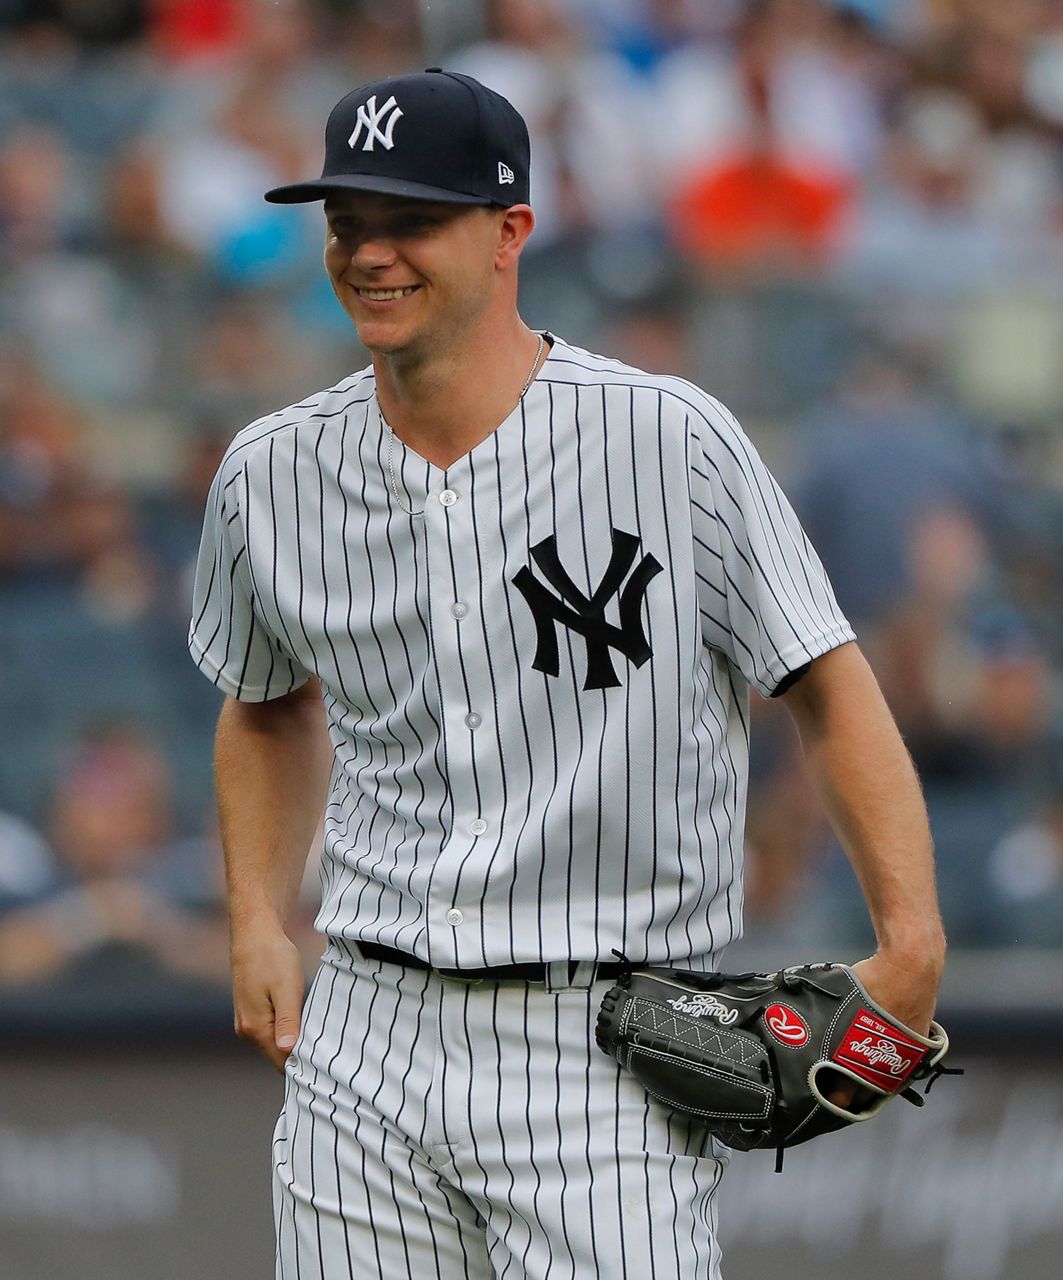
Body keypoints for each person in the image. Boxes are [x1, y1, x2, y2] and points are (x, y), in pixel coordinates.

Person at [188, 68, 946, 1280]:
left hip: (603, 1045)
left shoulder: (668, 438)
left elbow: (826, 682)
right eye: (347, 223)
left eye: (409, 222)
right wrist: (254, 917)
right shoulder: (270, 470)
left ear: (508, 234)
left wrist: (909, 942)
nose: (370, 253)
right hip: (363, 1029)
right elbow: (266, 702)